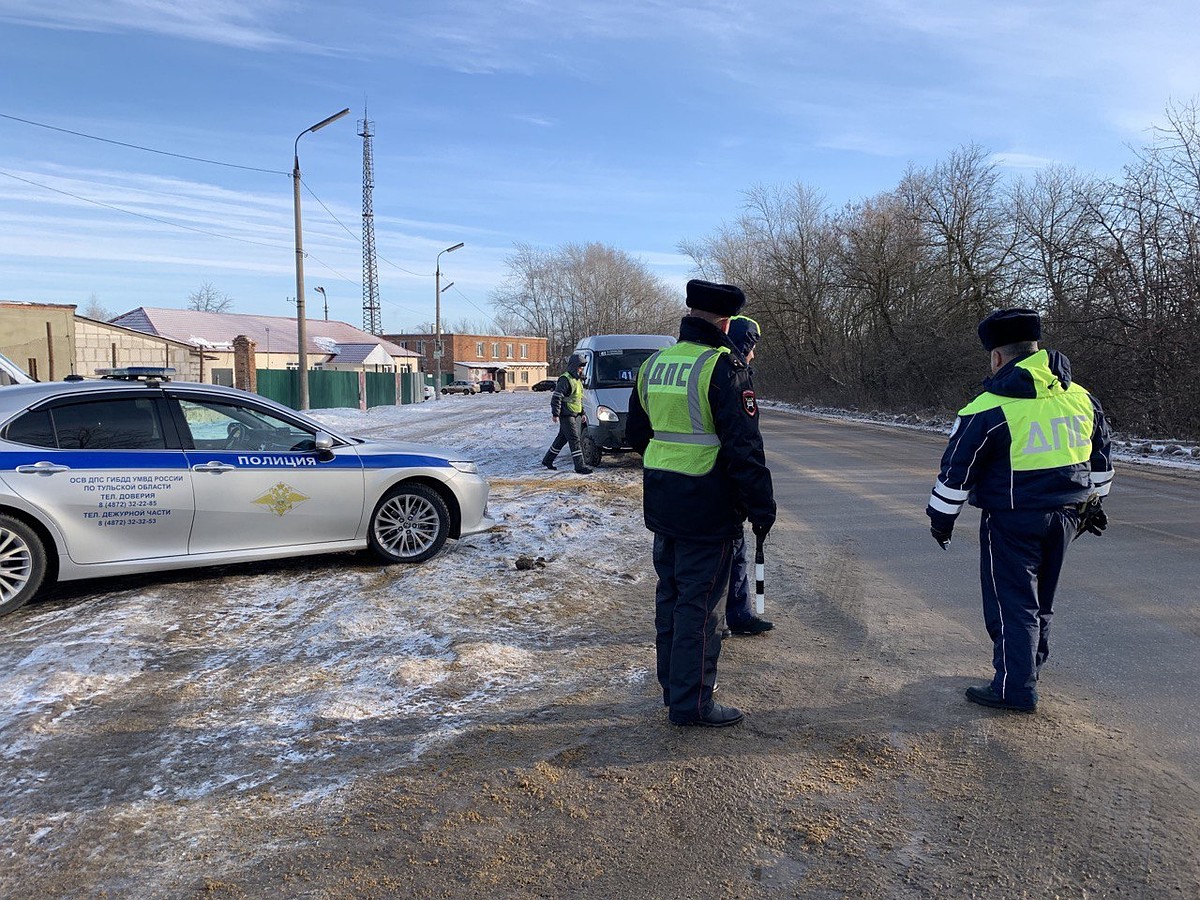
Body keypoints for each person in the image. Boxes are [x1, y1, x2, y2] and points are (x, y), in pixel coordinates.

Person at [926, 308, 1113, 713]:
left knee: (1012, 604)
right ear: (1036, 348)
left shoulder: (988, 406)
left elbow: (957, 471)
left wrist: (941, 521)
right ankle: (1028, 669)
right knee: (1041, 601)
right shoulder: (1081, 398)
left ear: (996, 357)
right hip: (1067, 517)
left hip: (1011, 519)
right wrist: (1094, 503)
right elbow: (1100, 460)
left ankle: (1014, 688)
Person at [627, 280, 776, 727]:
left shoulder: (654, 364)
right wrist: (762, 508)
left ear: (689, 311)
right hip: (708, 508)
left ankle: (674, 689)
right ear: (727, 321)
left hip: (663, 502)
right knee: (700, 607)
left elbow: (637, 436)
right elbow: (744, 449)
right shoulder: (723, 366)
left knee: (671, 597)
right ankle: (692, 704)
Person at [722, 315, 775, 637]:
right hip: (719, 486)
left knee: (733, 554)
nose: (753, 355)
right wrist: (760, 506)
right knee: (726, 555)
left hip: (672, 487)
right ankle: (724, 620)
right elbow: (745, 449)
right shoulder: (731, 375)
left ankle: (736, 615)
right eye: (752, 347)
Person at [541, 353, 593, 474]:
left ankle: (547, 460)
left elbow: (579, 398)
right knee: (574, 439)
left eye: (582, 367)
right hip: (566, 414)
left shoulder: (577, 380)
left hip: (575, 413)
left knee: (562, 438)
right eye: (580, 367)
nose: (581, 370)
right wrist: (555, 413)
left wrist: (583, 413)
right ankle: (580, 466)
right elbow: (557, 397)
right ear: (574, 366)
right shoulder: (565, 379)